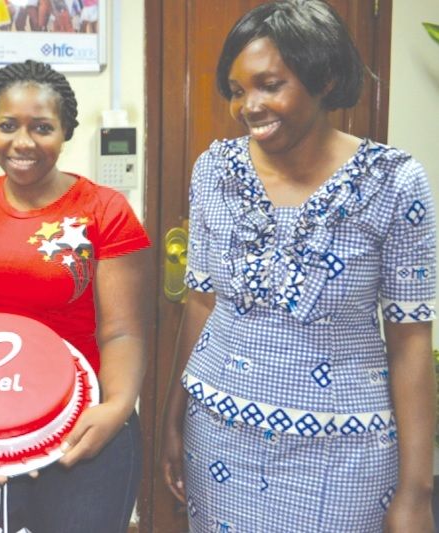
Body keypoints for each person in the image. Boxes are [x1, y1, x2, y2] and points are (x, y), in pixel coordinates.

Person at [159, 1, 436, 532]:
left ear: (325, 78)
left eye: (270, 84)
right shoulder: (214, 170)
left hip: (346, 452)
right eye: (237, 90)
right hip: (217, 439)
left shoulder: (394, 183)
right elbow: (200, 301)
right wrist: (173, 418)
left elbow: (410, 341)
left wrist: (416, 494)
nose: (248, 106)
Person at [0, 59, 151, 533]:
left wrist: (115, 409)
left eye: (42, 128)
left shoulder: (104, 212)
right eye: (8, 126)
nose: (23, 143)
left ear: (65, 131)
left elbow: (123, 331)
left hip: (84, 425)